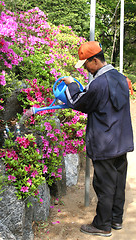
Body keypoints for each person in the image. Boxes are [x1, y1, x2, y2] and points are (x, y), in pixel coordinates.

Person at [63, 41, 134, 237]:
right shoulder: (120, 78)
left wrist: (71, 85)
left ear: (94, 60)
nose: (85, 68)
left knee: (104, 185)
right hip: (121, 141)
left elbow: (79, 103)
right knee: (118, 182)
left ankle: (102, 225)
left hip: (105, 143)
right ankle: (116, 220)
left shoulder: (99, 83)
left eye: (85, 64)